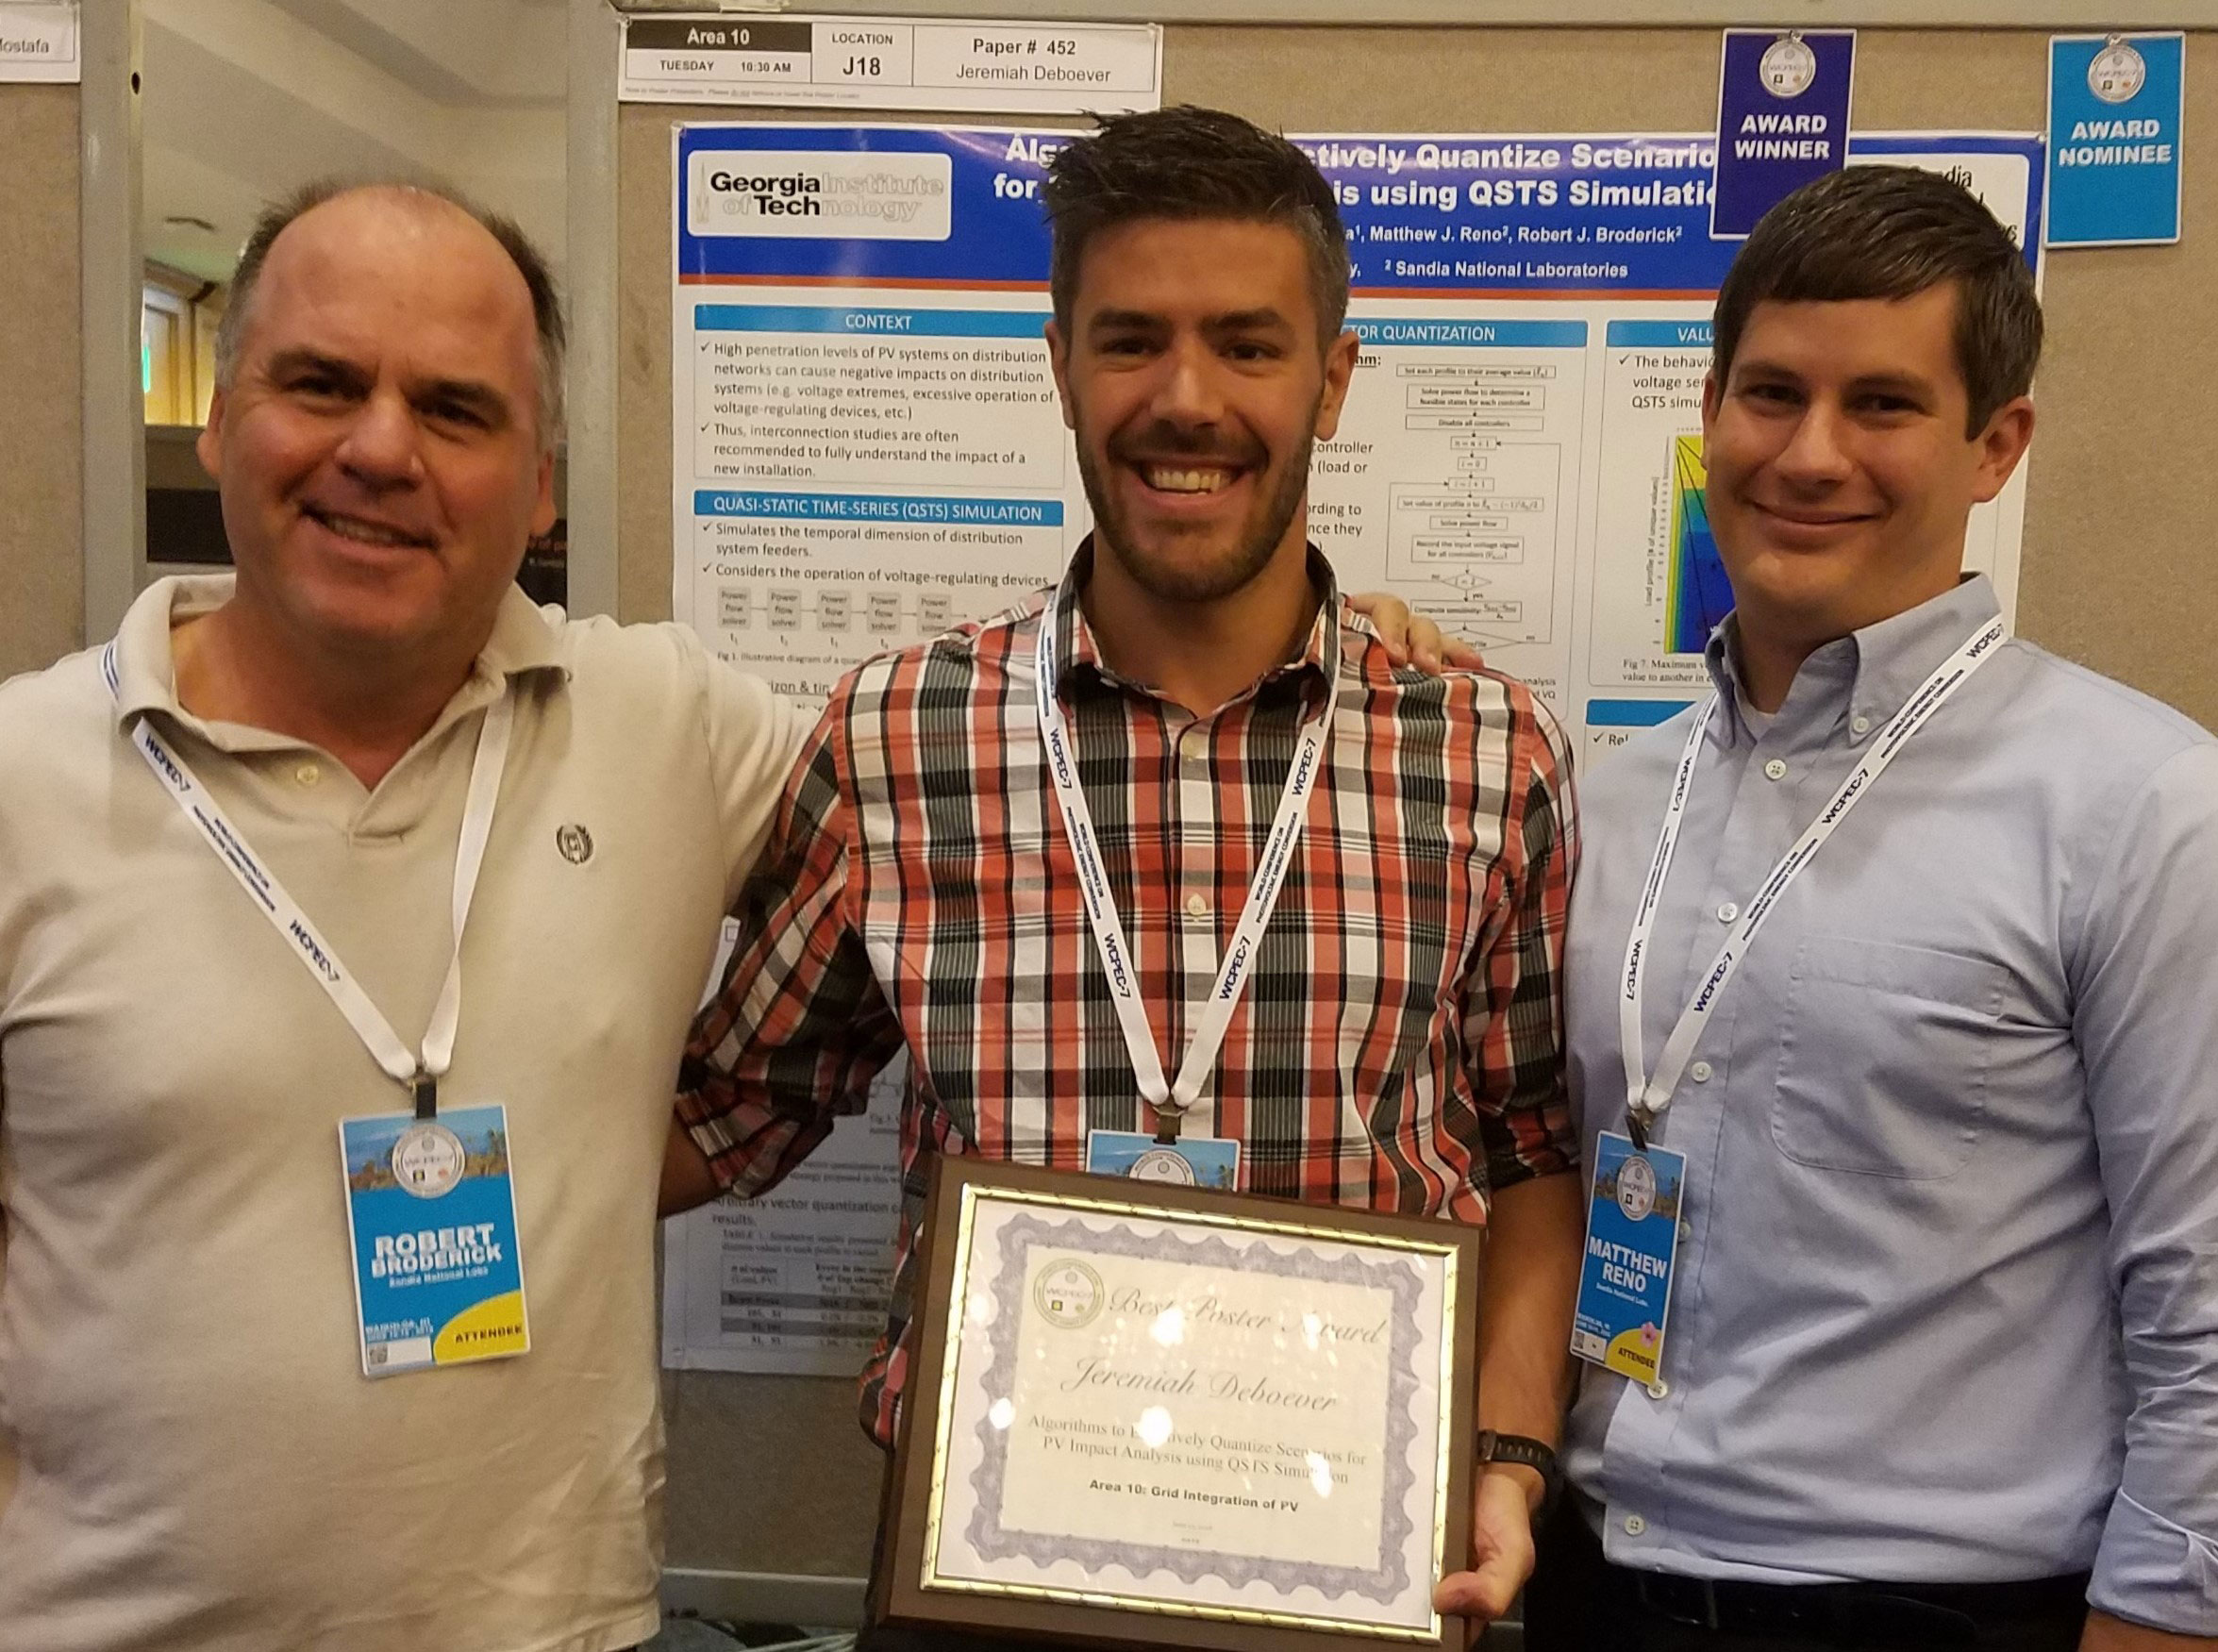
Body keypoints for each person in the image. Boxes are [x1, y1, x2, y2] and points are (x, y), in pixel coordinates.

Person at [0, 177, 1456, 1651]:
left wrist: (1340, 662)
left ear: (542, 481)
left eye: (453, 409)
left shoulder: (660, 727)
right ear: (217, 413)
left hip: (558, 1628)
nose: (381, 449)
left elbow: (994, 792)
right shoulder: (19, 786)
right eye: (321, 383)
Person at [664, 106, 1587, 1645]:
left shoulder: (1489, 753)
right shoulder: (898, 738)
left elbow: (1531, 1150)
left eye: (1247, 344)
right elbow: (729, 1110)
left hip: (1362, 1572)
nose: (1186, 399)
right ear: (1061, 367)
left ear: (1332, 379)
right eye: (1131, 341)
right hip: (984, 1581)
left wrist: (1508, 1457)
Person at [1526, 165, 2218, 1651]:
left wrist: (2168, 1618)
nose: (1811, 453)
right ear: (1710, 410)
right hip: (1596, 1585)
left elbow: (2205, 1290)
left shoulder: (2145, 804)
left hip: (1940, 1611)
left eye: (1884, 405)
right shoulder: (1610, 801)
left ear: (1996, 445)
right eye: (1772, 394)